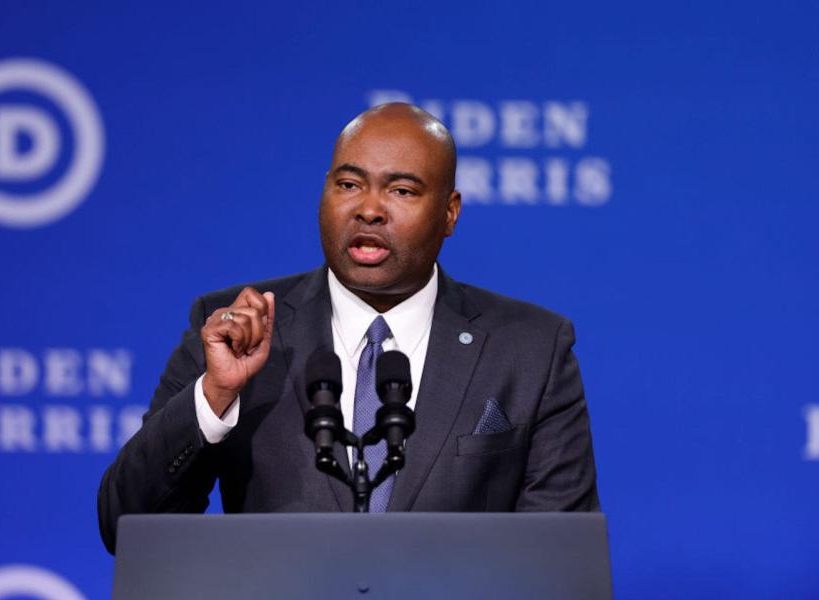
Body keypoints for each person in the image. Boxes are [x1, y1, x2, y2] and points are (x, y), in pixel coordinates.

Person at [98, 103, 599, 554]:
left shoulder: (531, 348)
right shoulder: (236, 330)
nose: (369, 209)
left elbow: (557, 564)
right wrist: (214, 396)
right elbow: (126, 526)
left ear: (449, 213)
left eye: (401, 190)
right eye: (349, 184)